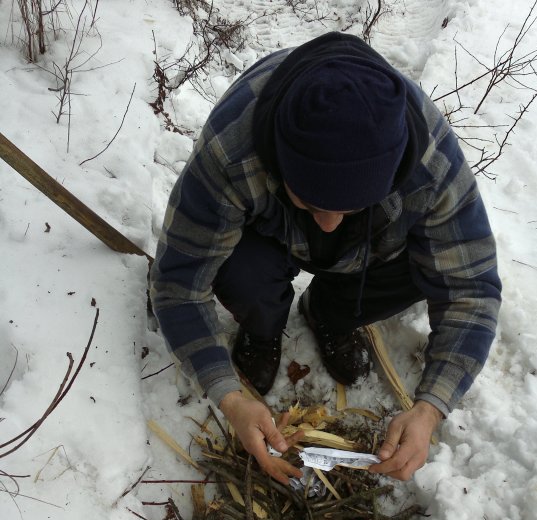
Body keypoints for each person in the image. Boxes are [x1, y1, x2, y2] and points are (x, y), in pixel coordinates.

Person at [150, 32, 501, 485]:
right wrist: (231, 397)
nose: (329, 224)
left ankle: (331, 313)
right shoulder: (233, 149)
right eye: (312, 201)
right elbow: (179, 283)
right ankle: (262, 326)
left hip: (373, 248)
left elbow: (471, 288)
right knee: (240, 271)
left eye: (347, 207)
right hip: (268, 239)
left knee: (424, 267)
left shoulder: (430, 163)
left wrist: (430, 409)